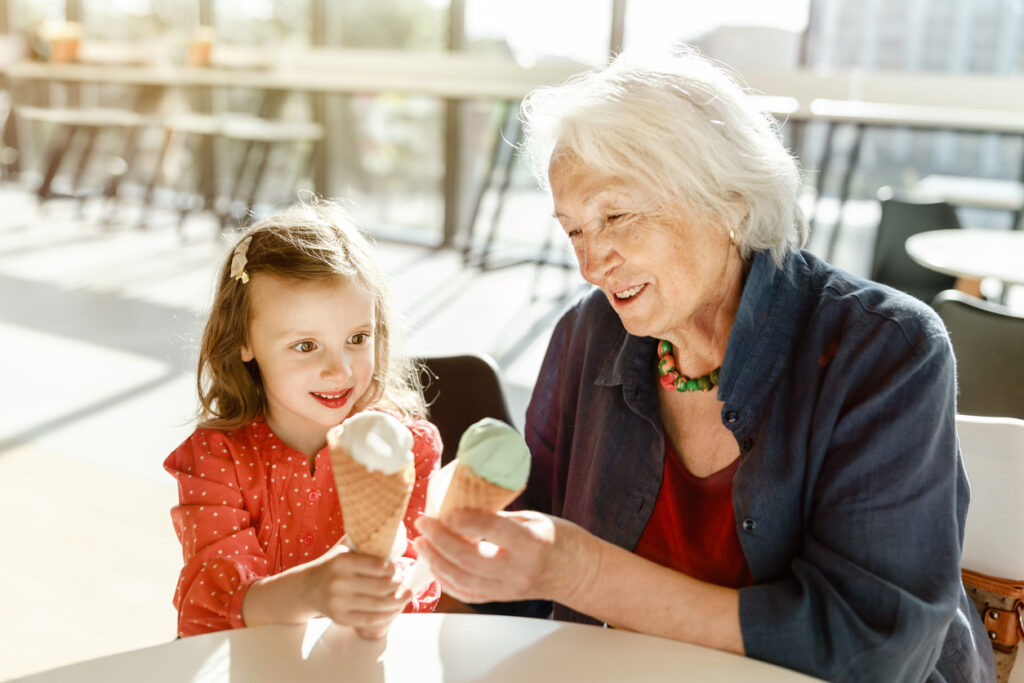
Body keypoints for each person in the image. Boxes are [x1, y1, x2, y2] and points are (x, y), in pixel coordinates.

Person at [414, 49, 995, 681]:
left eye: (617, 215)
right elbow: (523, 580)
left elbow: (876, 648)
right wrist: (466, 562)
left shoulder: (886, 348)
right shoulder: (589, 333)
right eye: (574, 230)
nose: (591, 263)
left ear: (730, 200)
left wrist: (582, 571)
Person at [165, 202, 440, 639]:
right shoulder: (216, 459)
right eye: (306, 345)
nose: (340, 370)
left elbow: (416, 592)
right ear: (243, 341)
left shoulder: (409, 448)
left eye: (357, 338)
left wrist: (393, 588)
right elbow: (212, 611)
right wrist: (313, 590)